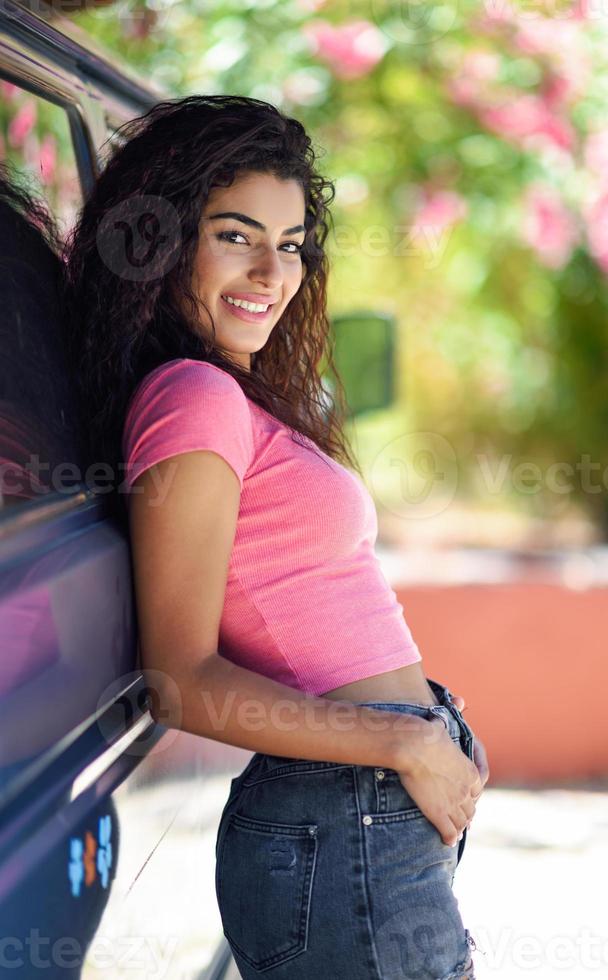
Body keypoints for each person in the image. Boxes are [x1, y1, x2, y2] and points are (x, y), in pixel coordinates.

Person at [62, 95, 489, 980]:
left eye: (290, 244)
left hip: (365, 807)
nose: (270, 272)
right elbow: (180, 680)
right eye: (234, 235)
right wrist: (402, 742)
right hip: (348, 807)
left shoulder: (231, 395)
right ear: (163, 240)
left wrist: (421, 739)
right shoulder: (195, 397)